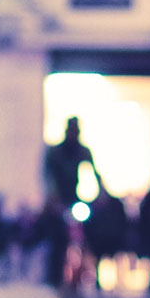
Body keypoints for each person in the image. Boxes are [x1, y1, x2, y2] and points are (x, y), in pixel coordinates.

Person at [42, 117, 96, 288]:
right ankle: (54, 277)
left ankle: (89, 274)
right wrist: (52, 197)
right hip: (58, 200)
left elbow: (94, 173)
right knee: (58, 237)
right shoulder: (55, 152)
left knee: (90, 232)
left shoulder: (83, 151)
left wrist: (102, 194)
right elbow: (48, 177)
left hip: (75, 198)